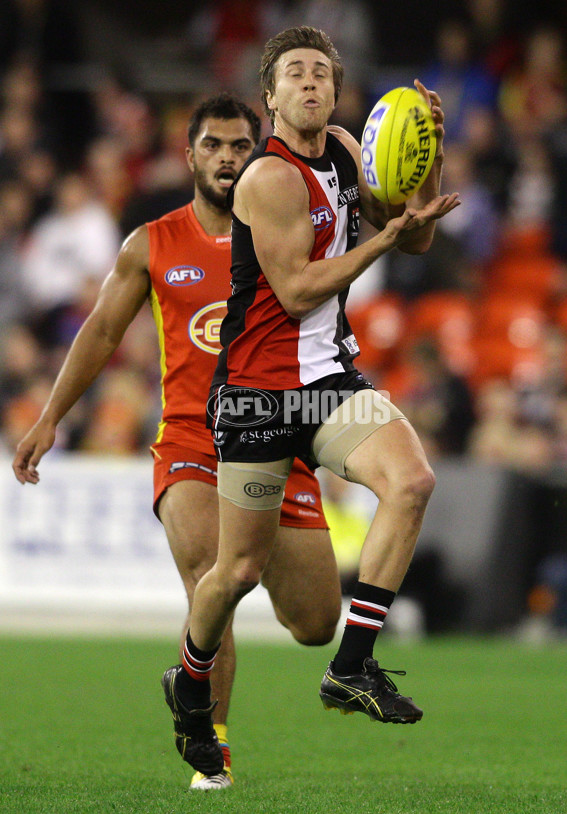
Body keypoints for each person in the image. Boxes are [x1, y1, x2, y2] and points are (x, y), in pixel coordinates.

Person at [12, 93, 342, 790]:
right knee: (213, 578)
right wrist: (51, 416)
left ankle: (191, 689)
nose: (228, 157)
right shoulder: (151, 244)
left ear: (260, 154)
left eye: (239, 145)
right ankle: (209, 747)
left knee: (315, 624)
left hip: (277, 433)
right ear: (189, 155)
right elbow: (101, 331)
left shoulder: (286, 235)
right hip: (192, 439)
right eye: (214, 145)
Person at [161, 26, 460, 777]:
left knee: (412, 480)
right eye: (294, 72)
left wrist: (425, 158)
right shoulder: (267, 177)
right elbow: (294, 294)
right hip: (260, 394)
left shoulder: (347, 150)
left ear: (334, 87)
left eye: (321, 72)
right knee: (234, 574)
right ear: (270, 97)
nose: (310, 83)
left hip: (326, 381)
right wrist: (386, 239)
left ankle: (351, 665)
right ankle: (190, 686)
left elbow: (414, 237)